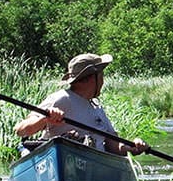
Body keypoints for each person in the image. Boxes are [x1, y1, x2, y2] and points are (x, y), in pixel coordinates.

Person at [14, 53, 149, 156]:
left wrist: (132, 148)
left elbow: (113, 146)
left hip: (95, 164)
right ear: (92, 77)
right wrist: (45, 119)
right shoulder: (62, 98)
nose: (102, 80)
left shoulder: (97, 108)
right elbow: (21, 130)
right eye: (101, 75)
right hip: (66, 158)